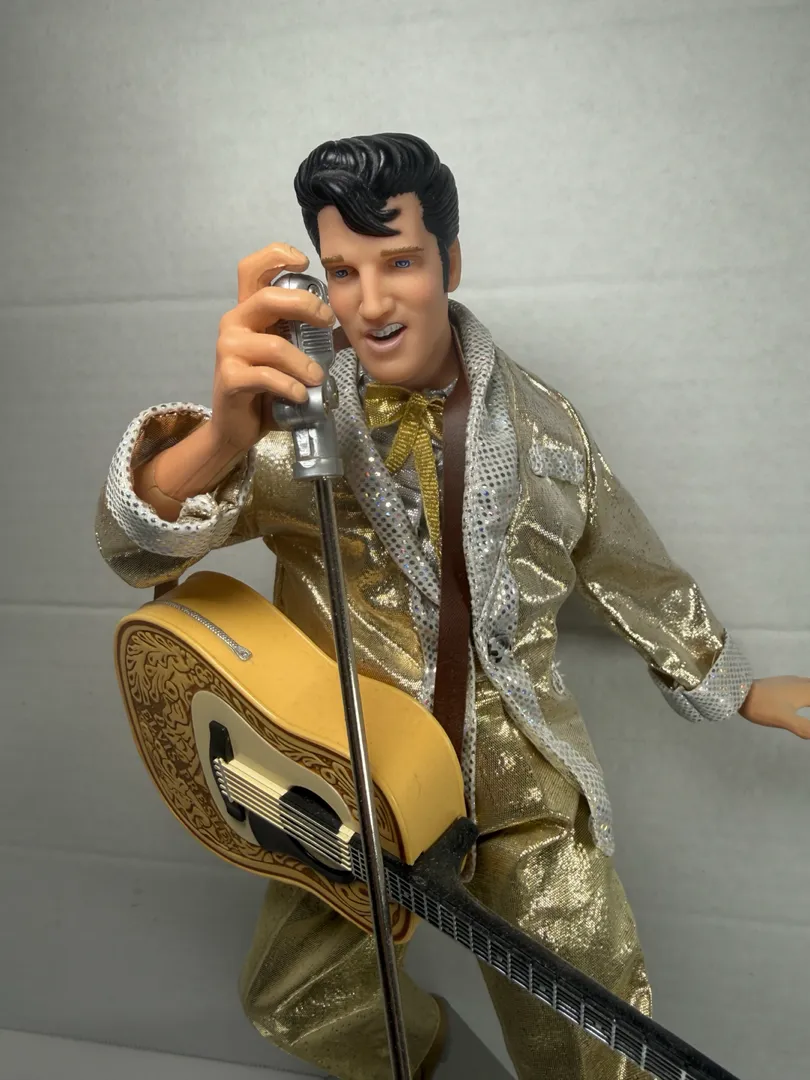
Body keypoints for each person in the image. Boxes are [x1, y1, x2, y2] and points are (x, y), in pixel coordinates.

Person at [95, 133, 810, 1080]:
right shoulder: (298, 425)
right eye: (343, 272)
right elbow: (137, 549)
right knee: (297, 993)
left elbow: (627, 563)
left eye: (399, 262)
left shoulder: (545, 427)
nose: (371, 302)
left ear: (450, 261)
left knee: (590, 1020)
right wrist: (222, 436)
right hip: (358, 777)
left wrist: (737, 686)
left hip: (519, 781)